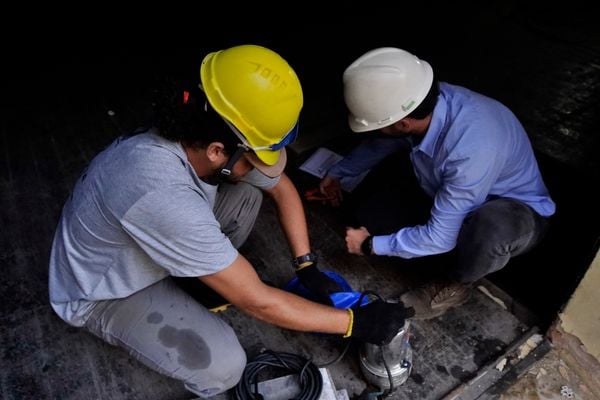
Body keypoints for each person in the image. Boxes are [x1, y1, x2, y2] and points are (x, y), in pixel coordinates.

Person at [48, 44, 414, 398]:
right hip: (105, 291)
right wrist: (355, 323)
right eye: (255, 156)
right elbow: (258, 302)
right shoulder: (159, 191)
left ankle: (204, 281)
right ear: (218, 151)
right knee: (224, 366)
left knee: (246, 192)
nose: (261, 165)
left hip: (148, 244)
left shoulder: (195, 135)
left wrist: (306, 265)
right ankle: (208, 282)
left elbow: (282, 188)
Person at [319, 47, 556, 320]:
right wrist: (339, 172)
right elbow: (382, 142)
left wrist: (371, 245)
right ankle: (443, 244)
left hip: (514, 212)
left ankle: (456, 282)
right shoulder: (422, 100)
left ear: (404, 124)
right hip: (448, 191)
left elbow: (440, 237)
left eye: (379, 125)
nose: (376, 131)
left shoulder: (471, 147)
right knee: (368, 216)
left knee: (490, 229)